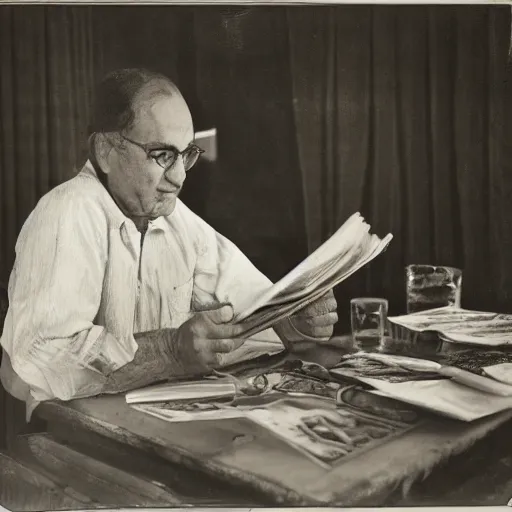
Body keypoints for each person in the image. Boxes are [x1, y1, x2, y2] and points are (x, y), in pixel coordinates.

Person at [0, 69, 338, 418]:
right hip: (65, 433)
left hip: (155, 420)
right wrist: (168, 351)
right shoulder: (68, 210)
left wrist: (290, 318)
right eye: (162, 155)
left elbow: (253, 303)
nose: (178, 178)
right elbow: (43, 357)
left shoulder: (176, 219)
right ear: (105, 151)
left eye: (186, 154)